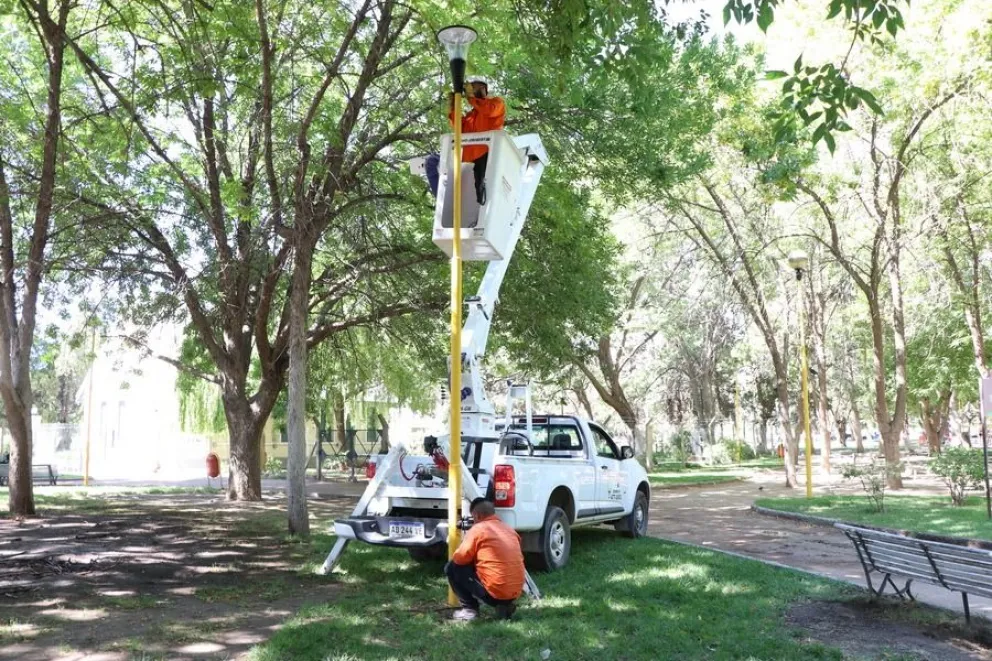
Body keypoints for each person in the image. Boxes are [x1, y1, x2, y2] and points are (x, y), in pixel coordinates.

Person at [426, 80, 506, 206]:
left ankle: (478, 206)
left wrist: (470, 97)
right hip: (465, 160)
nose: (470, 90)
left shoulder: (496, 103)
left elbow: (489, 110)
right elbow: (459, 128)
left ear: (483, 88)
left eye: (473, 87)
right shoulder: (471, 116)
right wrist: (453, 105)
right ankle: (444, 203)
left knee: (478, 194)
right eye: (469, 88)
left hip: (485, 156)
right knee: (432, 161)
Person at [445, 497, 524, 621]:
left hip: (494, 592)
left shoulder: (478, 529)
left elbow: (459, 559)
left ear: (476, 515)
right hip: (515, 592)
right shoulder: (509, 529)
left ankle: (469, 609)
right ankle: (505, 605)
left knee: (452, 568)